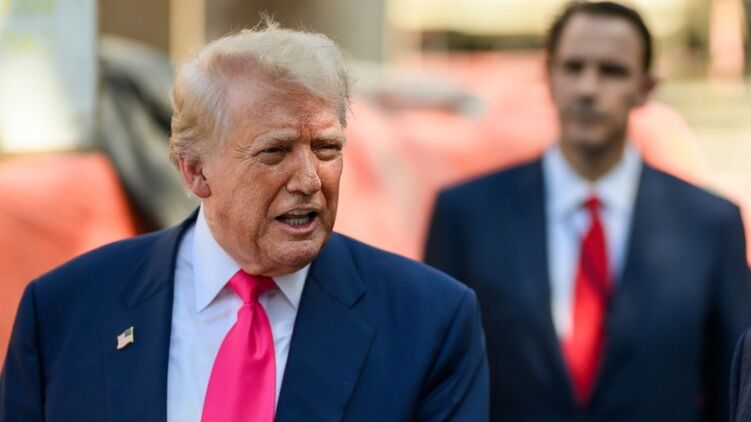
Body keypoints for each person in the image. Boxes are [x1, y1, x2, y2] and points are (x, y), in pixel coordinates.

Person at [0, 22, 488, 421]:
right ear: (195, 171)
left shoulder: (430, 321)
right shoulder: (64, 311)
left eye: (326, 148)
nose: (309, 180)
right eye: (274, 152)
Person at [424, 1, 750, 420]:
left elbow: (736, 389)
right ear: (549, 76)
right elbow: (440, 376)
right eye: (573, 67)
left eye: (612, 71)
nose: (588, 88)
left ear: (646, 88)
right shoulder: (466, 214)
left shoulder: (710, 225)